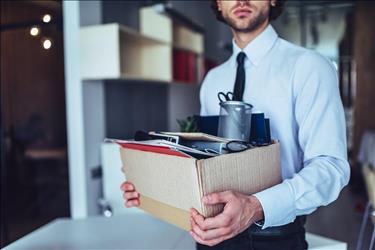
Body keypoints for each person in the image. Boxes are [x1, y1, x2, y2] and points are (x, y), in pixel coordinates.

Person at [120, 0, 350, 249]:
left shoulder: (309, 67)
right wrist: (152, 187)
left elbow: (331, 167)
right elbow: (206, 160)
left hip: (274, 240)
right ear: (218, 4)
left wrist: (255, 207)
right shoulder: (212, 80)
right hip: (210, 238)